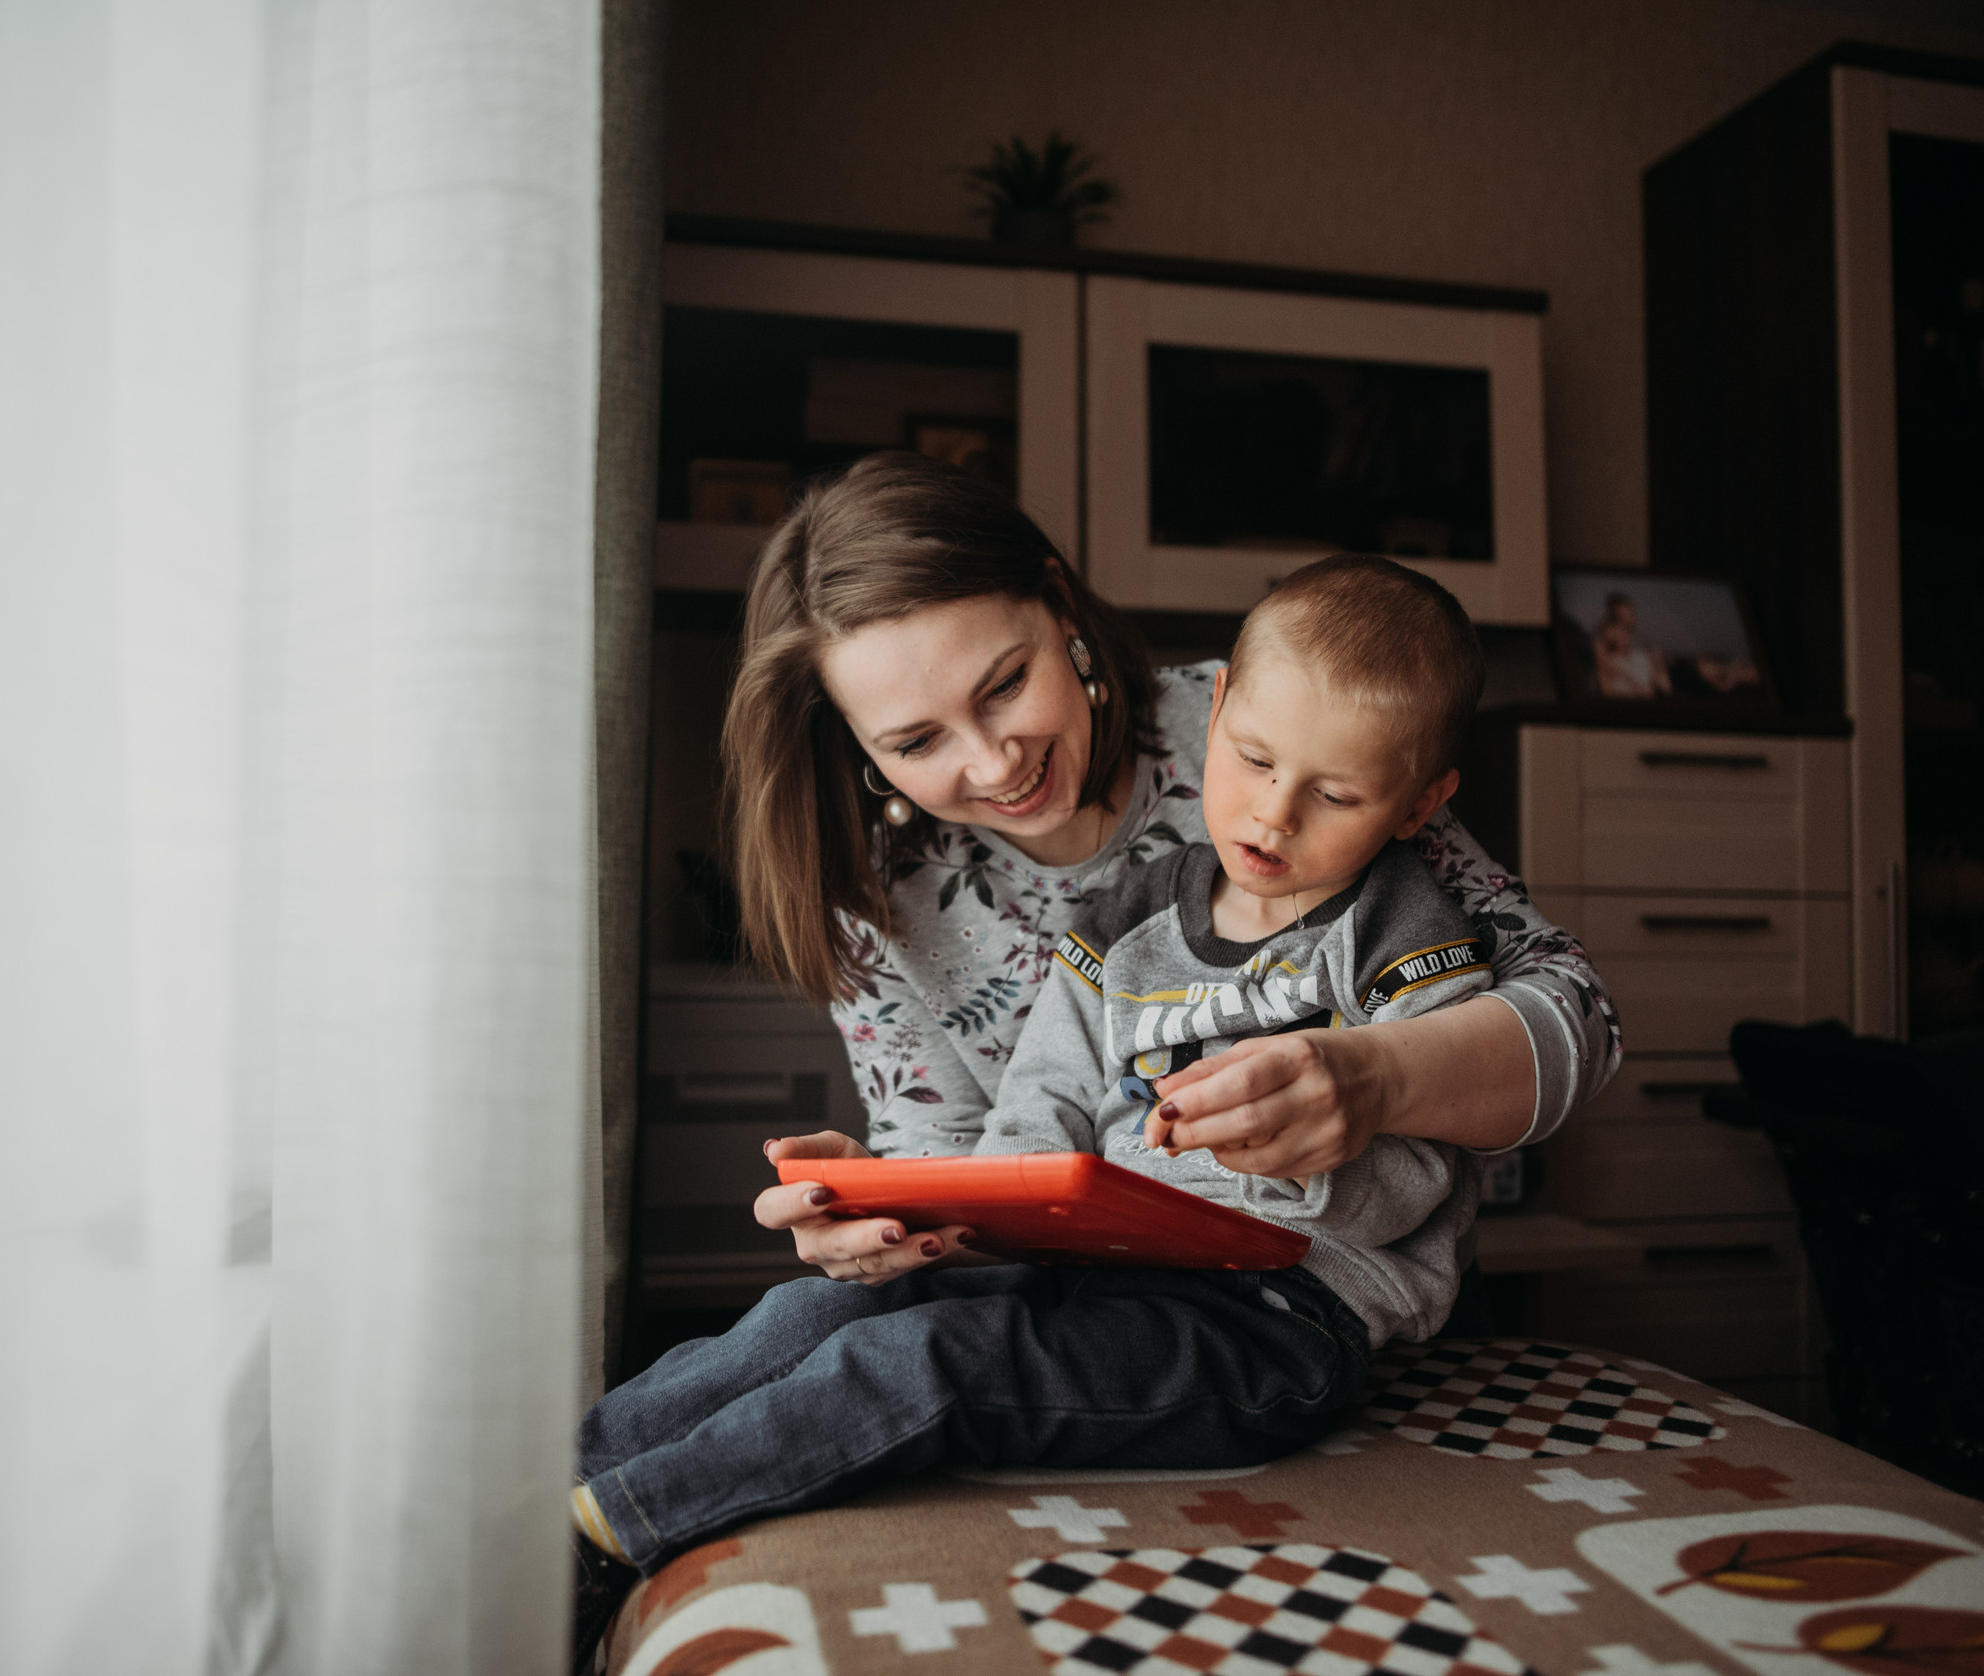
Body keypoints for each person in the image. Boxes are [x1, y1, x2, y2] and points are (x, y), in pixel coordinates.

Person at [568, 557, 1503, 1644]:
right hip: (1098, 1262)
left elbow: (1425, 1172)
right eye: (1250, 760)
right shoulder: (1127, 916)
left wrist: (1290, 1157)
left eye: (1336, 793)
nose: (1277, 813)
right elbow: (1043, 1100)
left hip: (1277, 1318)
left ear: (1420, 800)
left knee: (919, 1363)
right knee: (818, 1311)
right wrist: (947, 1204)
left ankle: (606, 1536)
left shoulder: (1405, 927)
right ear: (1214, 724)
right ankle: (555, 1487)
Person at [727, 453, 1619, 1285]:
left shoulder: (1272, 736)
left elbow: (1579, 1013)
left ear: (1059, 606)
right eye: (917, 741)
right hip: (1086, 1311)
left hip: (1311, 1304)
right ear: (860, 749)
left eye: (1004, 684)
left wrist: (1379, 1075)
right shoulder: (871, 893)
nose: (996, 764)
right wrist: (883, 1214)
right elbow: (962, 1172)